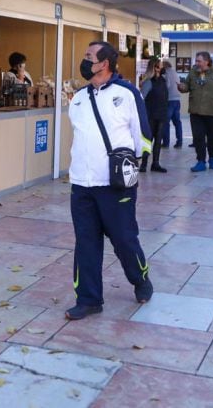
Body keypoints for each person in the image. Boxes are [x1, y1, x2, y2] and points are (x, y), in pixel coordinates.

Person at [65, 41, 154, 320]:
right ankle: (89, 299)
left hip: (116, 185)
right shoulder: (79, 98)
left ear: (104, 63)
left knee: (124, 240)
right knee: (86, 243)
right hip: (82, 185)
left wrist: (130, 166)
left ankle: (140, 280)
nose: (84, 60)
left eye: (88, 56)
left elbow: (144, 136)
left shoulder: (127, 93)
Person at [179, 51, 213, 172]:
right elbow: (186, 87)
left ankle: (212, 157)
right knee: (198, 137)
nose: (196, 63)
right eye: (196, 61)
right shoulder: (193, 72)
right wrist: (180, 86)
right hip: (196, 111)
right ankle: (201, 161)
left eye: (199, 61)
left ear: (207, 61)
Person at [139, 58, 169, 173]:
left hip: (161, 114)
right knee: (148, 140)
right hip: (150, 115)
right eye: (158, 67)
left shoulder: (163, 80)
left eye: (161, 67)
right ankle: (144, 164)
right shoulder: (148, 82)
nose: (160, 69)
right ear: (153, 68)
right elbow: (142, 98)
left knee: (158, 141)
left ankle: (155, 163)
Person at [161, 59, 184, 148]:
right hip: (177, 100)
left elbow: (168, 85)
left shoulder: (167, 73)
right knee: (177, 122)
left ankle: (166, 142)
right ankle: (179, 141)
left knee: (166, 122)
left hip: (169, 100)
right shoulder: (175, 72)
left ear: (165, 66)